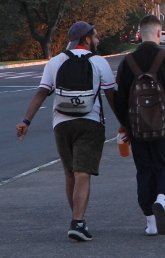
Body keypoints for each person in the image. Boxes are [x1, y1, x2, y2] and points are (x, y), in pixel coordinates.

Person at [15, 21, 116, 242]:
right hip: (90, 122)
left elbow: (42, 92)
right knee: (83, 173)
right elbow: (111, 96)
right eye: (95, 36)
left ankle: (77, 219)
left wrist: (26, 120)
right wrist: (124, 123)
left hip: (61, 124)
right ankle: (78, 222)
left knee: (70, 173)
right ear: (87, 39)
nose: (97, 40)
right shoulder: (100, 62)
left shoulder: (55, 62)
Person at [114, 15, 165, 236]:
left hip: (137, 130)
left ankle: (150, 222)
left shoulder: (127, 62)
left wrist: (127, 125)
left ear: (139, 34)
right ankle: (162, 201)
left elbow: (119, 99)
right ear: (159, 33)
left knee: (144, 171)